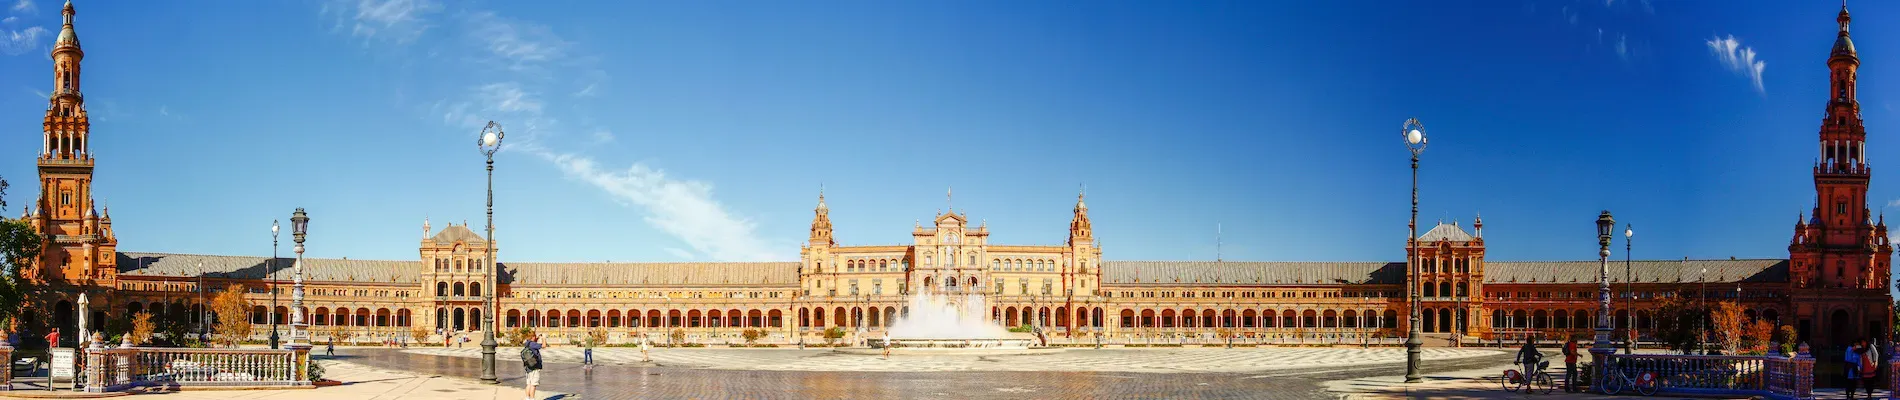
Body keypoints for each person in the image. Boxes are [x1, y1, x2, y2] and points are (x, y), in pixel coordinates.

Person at [521, 333, 543, 400]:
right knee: (533, 385)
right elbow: (544, 345)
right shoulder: (533, 344)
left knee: (529, 384)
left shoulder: (527, 343)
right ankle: (532, 398)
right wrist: (544, 338)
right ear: (532, 337)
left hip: (528, 367)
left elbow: (533, 343)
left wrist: (538, 337)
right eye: (535, 336)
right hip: (535, 367)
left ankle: (527, 398)